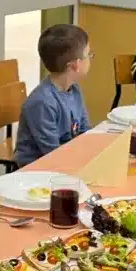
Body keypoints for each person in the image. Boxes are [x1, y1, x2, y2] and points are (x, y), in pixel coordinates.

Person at [14, 24, 93, 168]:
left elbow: (84, 132)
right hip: (38, 170)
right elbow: (53, 154)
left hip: (65, 161)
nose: (90, 58)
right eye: (88, 55)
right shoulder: (42, 102)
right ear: (75, 65)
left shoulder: (74, 90)